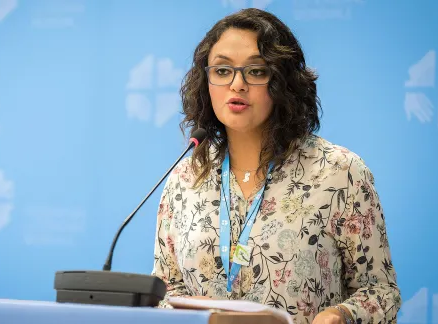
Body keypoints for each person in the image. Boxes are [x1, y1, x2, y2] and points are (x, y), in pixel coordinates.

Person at [151, 8, 401, 324]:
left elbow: (381, 293)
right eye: (223, 70)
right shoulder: (185, 178)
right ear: (206, 80)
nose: (237, 84)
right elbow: (163, 291)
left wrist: (341, 314)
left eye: (256, 71)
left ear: (284, 81)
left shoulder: (339, 172)